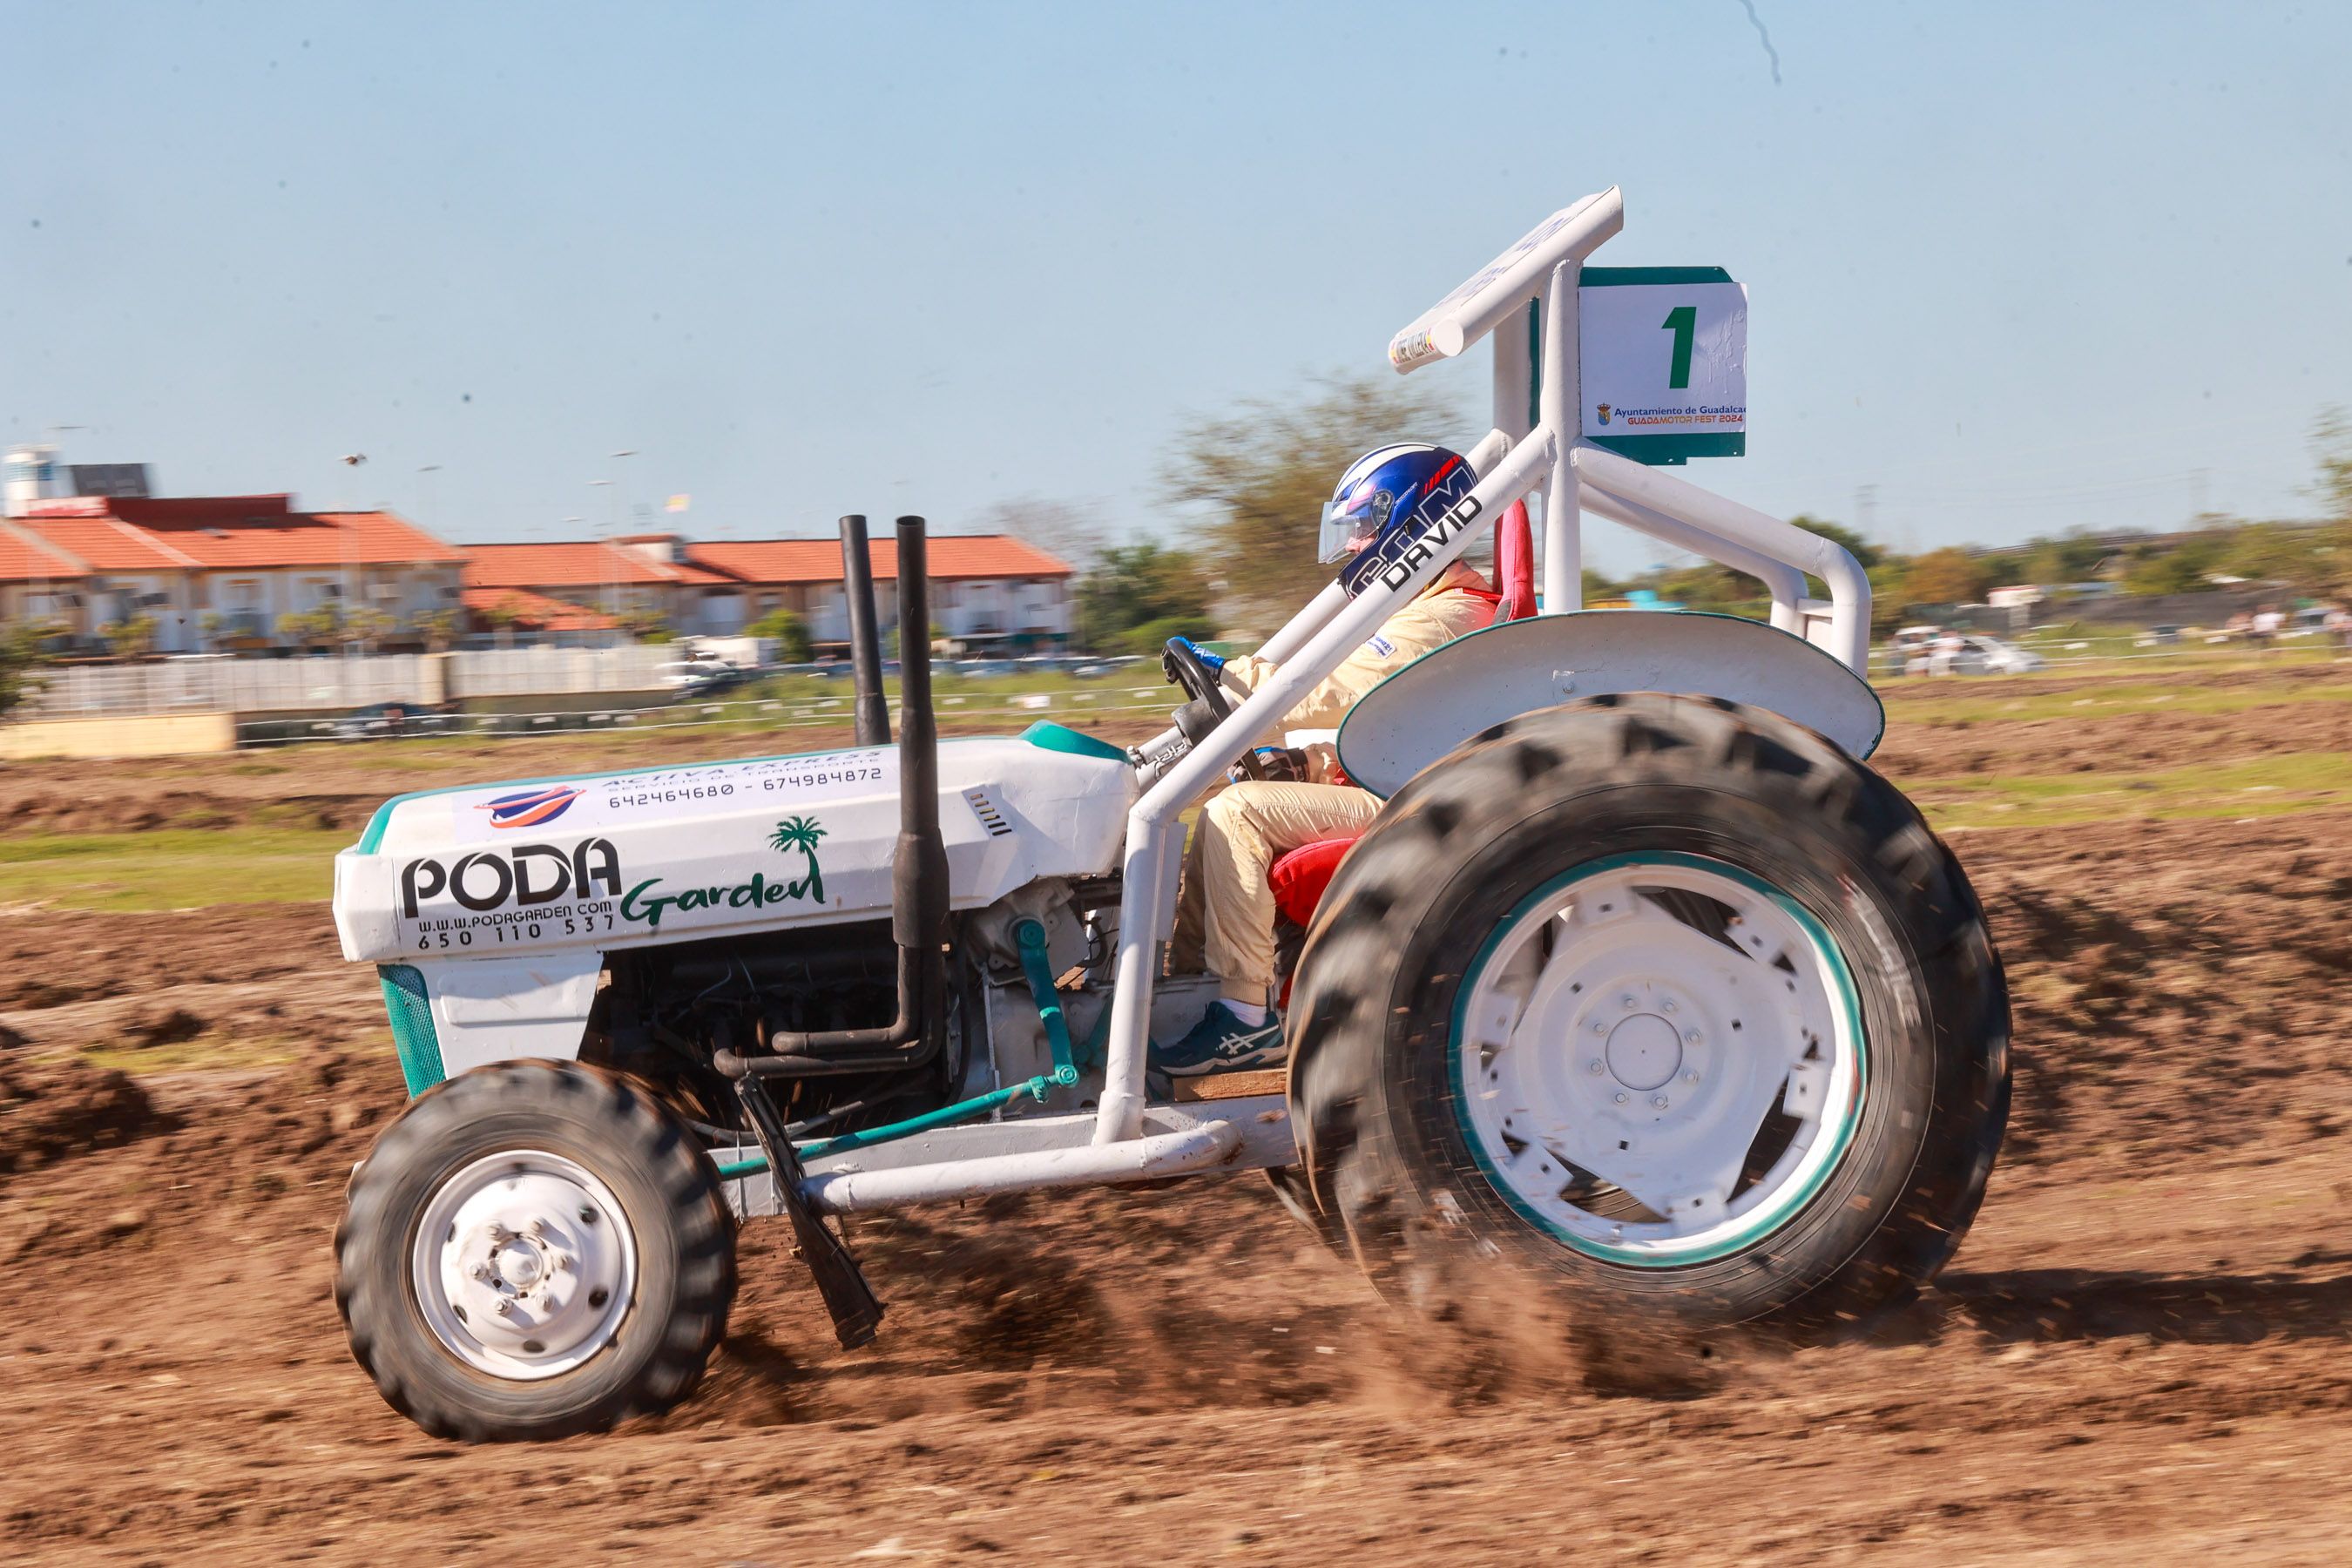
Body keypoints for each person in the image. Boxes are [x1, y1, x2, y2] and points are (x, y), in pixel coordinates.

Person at [1156, 443, 1498, 1077]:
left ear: (1415, 519)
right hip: (1403, 780)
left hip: (1422, 800)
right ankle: (1181, 994)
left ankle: (1244, 1019)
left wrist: (1234, 677)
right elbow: (1392, 723)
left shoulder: (1448, 615)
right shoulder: (1424, 606)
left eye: (1364, 528)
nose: (1352, 547)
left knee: (1238, 813)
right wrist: (1308, 762)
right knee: (1217, 811)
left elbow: (1331, 688)